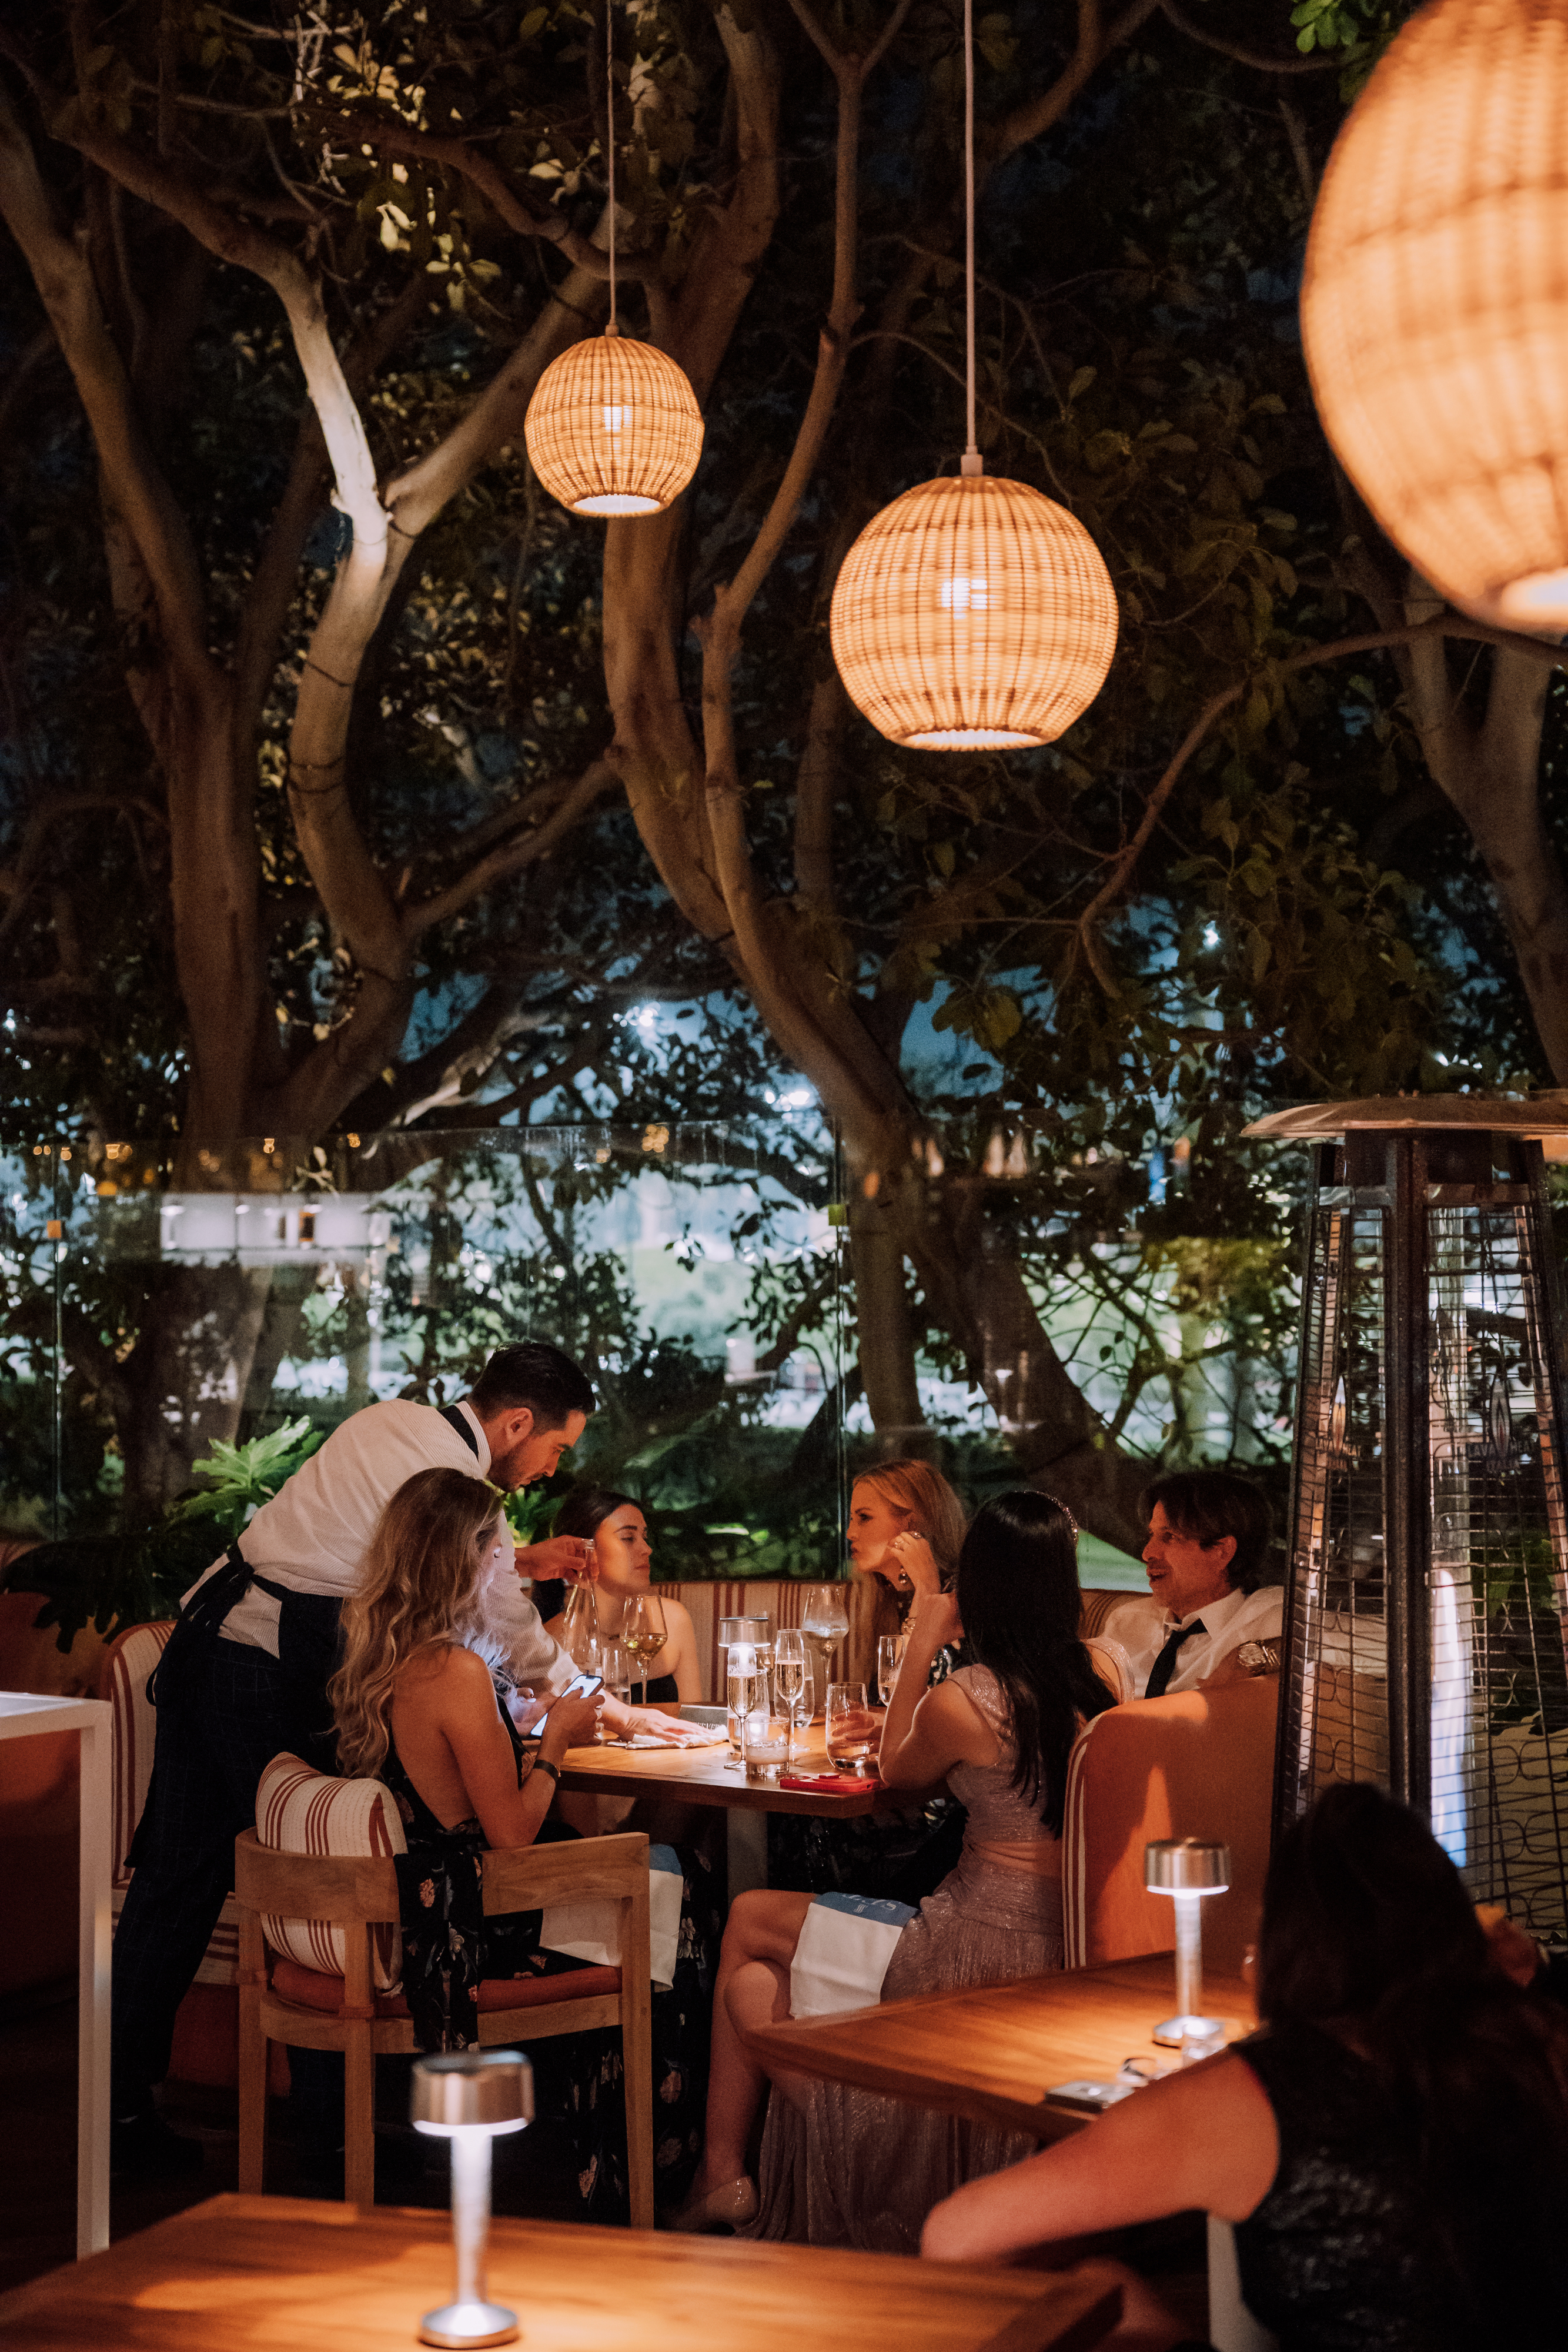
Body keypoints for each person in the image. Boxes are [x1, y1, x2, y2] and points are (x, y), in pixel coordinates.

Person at [110, 1340, 702, 2173]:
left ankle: (124, 2109)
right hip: (263, 1662)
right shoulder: (456, 1485)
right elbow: (510, 1629)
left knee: (184, 1877)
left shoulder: (395, 1421)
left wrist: (519, 1562)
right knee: (315, 1875)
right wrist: (604, 1707)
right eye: (555, 1447)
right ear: (516, 1423)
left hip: (213, 1639)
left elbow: (376, 1549)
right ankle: (332, 2133)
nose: (550, 1468)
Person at [921, 1783, 1568, 2352]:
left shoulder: (1259, 2092)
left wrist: (1099, 2235)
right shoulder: (1539, 2043)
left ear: (1284, 1945)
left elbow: (956, 2238)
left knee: (1088, 2282)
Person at [677, 1489, 1117, 2247]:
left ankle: (796, 2157)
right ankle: (740, 2171)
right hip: (1066, 1938)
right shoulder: (1102, 1671)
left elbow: (895, 1769)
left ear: (980, 1583)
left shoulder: (969, 1698)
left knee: (748, 1916)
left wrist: (924, 1633)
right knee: (753, 1983)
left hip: (965, 1948)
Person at [330, 1467, 720, 2218]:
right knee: (684, 1888)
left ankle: (619, 2150)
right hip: (482, 1922)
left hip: (431, 1905)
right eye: (499, 1552)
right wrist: (558, 1740)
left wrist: (519, 1722)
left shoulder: (383, 1655)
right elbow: (511, 1833)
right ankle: (648, 2165)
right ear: (468, 1561)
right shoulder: (456, 1669)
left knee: (666, 1873)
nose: (508, 1568)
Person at [769, 1458, 972, 1907]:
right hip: (902, 1785)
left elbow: (942, 1713)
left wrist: (926, 1588)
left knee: (806, 1822)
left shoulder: (958, 1602)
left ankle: (828, 1926)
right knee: (784, 1811)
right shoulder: (890, 1599)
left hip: (944, 1808)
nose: (849, 1532)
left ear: (911, 1526)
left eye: (863, 1518)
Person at [535, 1488, 701, 1707]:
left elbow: (694, 1717)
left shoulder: (671, 1620)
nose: (647, 1549)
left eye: (644, 1537)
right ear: (582, 1551)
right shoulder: (549, 1643)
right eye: (628, 1538)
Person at [1128, 1469, 1283, 1698]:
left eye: (1169, 1537)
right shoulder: (1128, 1621)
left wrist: (1261, 1655)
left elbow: (1336, 1647)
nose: (1147, 1553)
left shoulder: (1271, 1618)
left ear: (1222, 1552)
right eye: (1151, 1535)